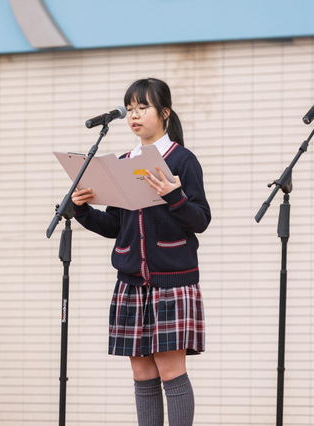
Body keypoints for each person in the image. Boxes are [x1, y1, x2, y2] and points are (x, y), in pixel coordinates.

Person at [71, 78, 211, 426]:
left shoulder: (182, 159)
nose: (134, 115)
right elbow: (115, 226)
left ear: (164, 113)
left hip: (172, 281)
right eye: (130, 109)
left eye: (143, 107)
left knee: (170, 370)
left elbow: (201, 219)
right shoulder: (123, 162)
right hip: (131, 281)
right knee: (142, 372)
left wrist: (174, 197)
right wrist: (83, 211)